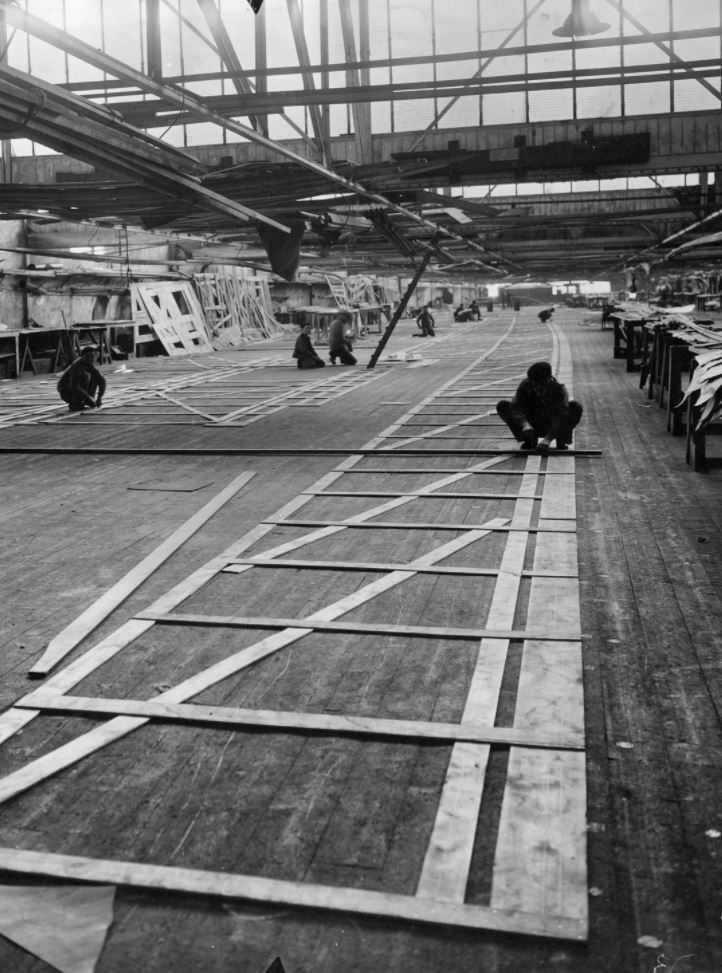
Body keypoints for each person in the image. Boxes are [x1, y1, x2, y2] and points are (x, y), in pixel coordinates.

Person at [496, 360, 583, 451]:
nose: (536, 388)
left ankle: (561, 439)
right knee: (503, 406)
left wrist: (548, 439)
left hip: (551, 424)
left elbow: (561, 416)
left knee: (575, 407)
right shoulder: (525, 384)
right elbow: (515, 406)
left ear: (549, 379)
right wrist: (524, 423)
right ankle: (529, 439)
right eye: (534, 384)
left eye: (541, 385)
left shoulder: (559, 389)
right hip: (532, 424)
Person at [56, 344, 106, 412]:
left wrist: (99, 398)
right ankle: (75, 404)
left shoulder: (89, 365)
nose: (91, 358)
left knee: (95, 377)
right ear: (82, 356)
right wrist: (89, 397)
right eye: (88, 356)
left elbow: (102, 381)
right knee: (85, 376)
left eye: (92, 356)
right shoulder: (77, 367)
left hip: (77, 388)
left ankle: (86, 401)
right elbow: (74, 386)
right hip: (65, 391)